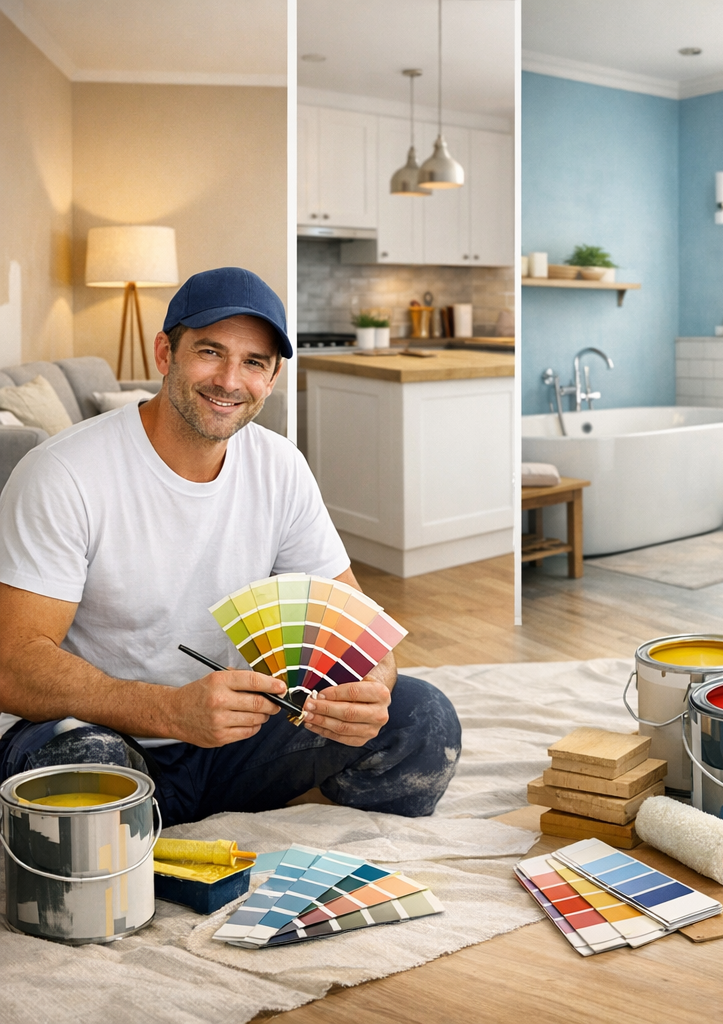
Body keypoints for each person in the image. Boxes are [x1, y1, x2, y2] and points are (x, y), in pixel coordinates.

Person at [0, 267, 460, 826]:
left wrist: (370, 691)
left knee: (423, 717)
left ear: (272, 378)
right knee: (82, 767)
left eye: (254, 363)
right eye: (211, 351)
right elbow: (13, 665)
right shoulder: (64, 472)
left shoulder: (280, 466)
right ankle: (162, 826)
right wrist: (168, 710)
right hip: (111, 737)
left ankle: (209, 827)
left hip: (236, 739)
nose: (229, 380)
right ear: (165, 353)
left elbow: (359, 633)